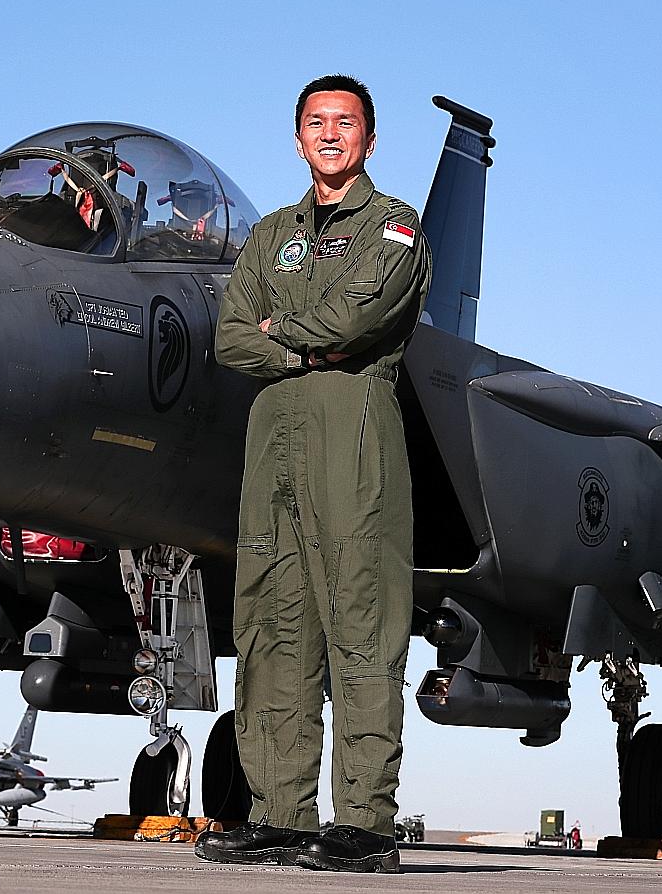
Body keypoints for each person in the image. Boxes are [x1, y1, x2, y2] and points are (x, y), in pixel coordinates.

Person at [194, 75, 431, 874]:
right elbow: (230, 338)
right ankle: (282, 816)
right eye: (316, 123)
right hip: (273, 440)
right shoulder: (267, 236)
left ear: (369, 138)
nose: (330, 135)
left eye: (346, 122)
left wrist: (283, 334)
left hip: (352, 428)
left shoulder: (395, 227)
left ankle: (364, 822)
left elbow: (359, 318)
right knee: (271, 626)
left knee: (360, 619)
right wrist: (299, 342)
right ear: (298, 139)